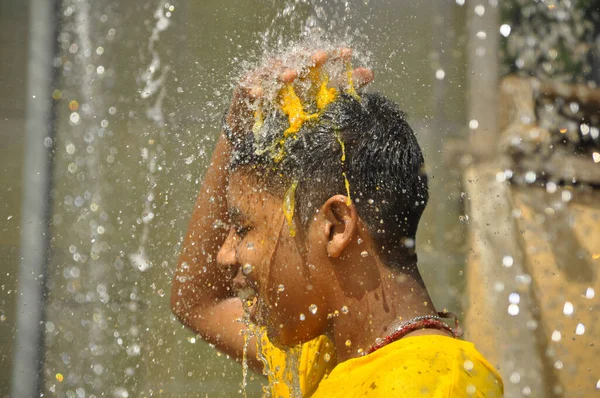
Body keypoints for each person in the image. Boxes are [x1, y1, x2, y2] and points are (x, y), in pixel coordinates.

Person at [171, 46, 504, 397]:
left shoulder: (430, 383)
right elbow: (199, 300)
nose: (225, 256)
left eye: (243, 229)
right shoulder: (328, 354)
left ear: (336, 226)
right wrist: (236, 131)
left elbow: (200, 301)